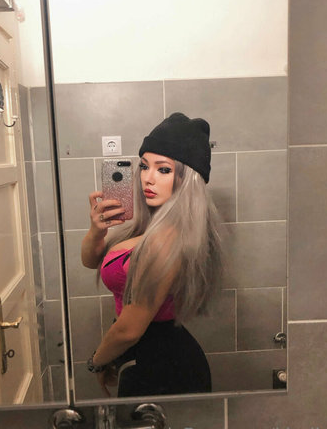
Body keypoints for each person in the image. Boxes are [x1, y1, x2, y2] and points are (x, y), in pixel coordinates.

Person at [81, 112, 224, 397]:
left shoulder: (165, 242)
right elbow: (90, 261)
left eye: (164, 170)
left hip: (166, 370)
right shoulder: (150, 226)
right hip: (147, 359)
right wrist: (97, 231)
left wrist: (97, 361)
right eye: (144, 166)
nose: (148, 178)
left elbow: (129, 331)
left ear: (187, 180)